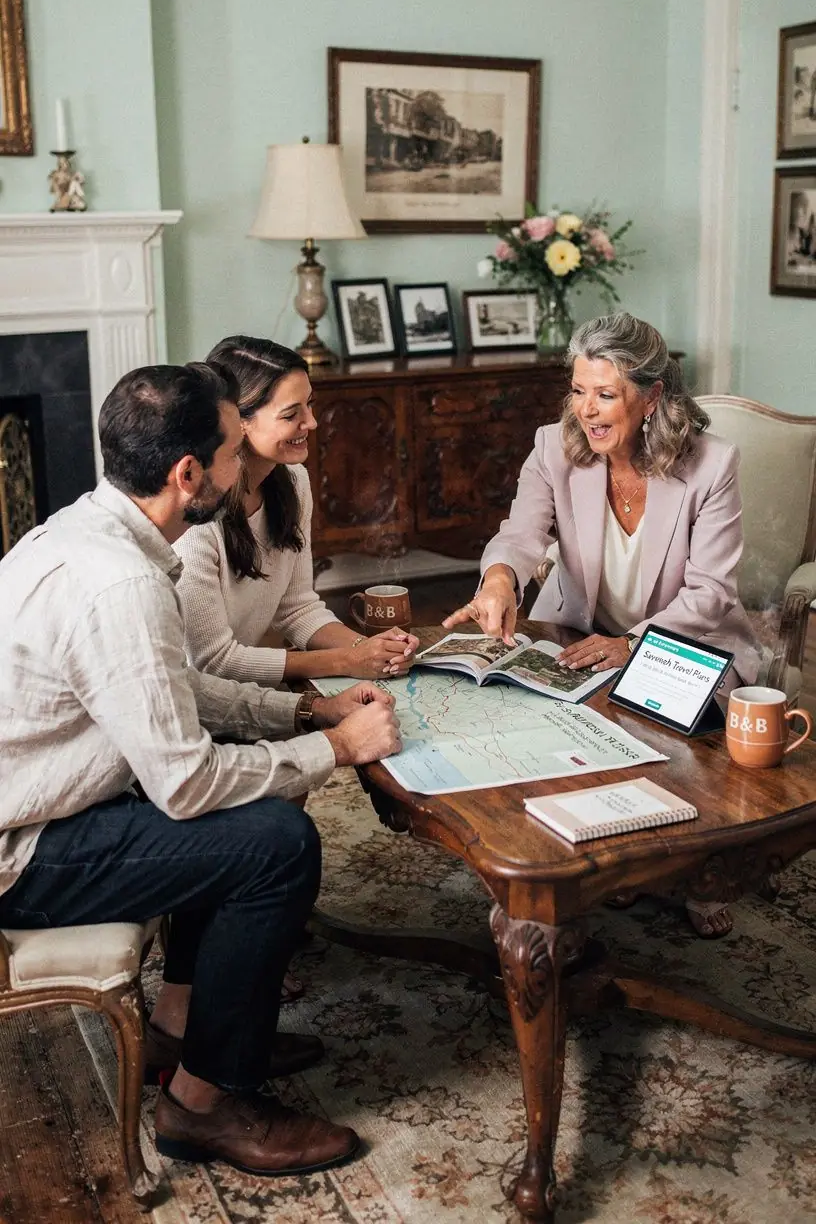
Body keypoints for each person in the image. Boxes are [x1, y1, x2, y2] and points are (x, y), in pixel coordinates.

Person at [0, 362, 401, 1176]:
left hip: (42, 806)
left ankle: (185, 1032)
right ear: (189, 475)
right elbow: (185, 784)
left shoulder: (88, 527)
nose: (243, 464)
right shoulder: (120, 587)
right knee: (277, 843)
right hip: (24, 850)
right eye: (229, 451)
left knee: (245, 821)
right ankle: (202, 1105)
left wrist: (304, 711)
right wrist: (336, 749)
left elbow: (172, 693)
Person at [444, 312, 762, 939]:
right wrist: (500, 579)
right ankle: (608, 856)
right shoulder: (552, 446)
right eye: (579, 390)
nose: (587, 410)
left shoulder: (710, 465)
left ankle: (701, 871)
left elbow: (710, 593)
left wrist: (631, 645)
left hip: (685, 643)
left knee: (673, 733)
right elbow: (520, 532)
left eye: (606, 394)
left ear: (652, 397)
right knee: (554, 732)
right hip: (577, 632)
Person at [174, 335, 419, 687]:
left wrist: (372, 649)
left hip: (242, 694)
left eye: (310, 405)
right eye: (292, 414)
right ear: (236, 421)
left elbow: (298, 608)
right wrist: (346, 659)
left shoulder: (294, 481)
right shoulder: (197, 517)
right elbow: (212, 663)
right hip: (193, 704)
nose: (313, 422)